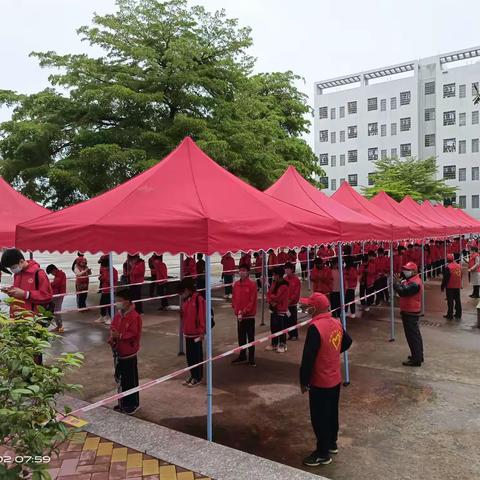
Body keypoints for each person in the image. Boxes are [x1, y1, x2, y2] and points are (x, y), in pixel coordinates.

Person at [299, 293, 352, 467]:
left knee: (319, 417)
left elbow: (308, 358)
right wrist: (333, 351)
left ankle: (322, 453)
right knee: (331, 412)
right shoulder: (336, 322)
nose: (306, 309)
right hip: (334, 378)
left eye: (308, 306)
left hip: (320, 380)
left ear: (315, 308)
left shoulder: (316, 328)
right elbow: (347, 341)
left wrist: (304, 381)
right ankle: (332, 443)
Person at [1, 249, 53, 365]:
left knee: (34, 352)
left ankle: (37, 376)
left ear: (21, 261)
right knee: (22, 352)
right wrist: (11, 291)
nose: (12, 270)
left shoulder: (38, 273)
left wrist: (26, 294)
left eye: (13, 267)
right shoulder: (17, 274)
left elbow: (47, 295)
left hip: (33, 320)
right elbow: (19, 292)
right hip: (18, 320)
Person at [107, 289, 142, 415]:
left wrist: (120, 336)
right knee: (121, 379)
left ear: (127, 301)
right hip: (119, 352)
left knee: (130, 380)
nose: (117, 303)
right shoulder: (118, 315)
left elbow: (134, 334)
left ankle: (133, 403)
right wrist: (112, 337)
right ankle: (123, 402)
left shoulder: (134, 316)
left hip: (129, 353)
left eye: (120, 300)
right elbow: (113, 327)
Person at [393, 262, 424, 367]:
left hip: (411, 312)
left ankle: (416, 359)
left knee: (412, 336)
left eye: (408, 269)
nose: (405, 271)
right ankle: (417, 355)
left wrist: (396, 283)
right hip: (409, 310)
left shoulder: (415, 283)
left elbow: (402, 292)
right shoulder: (410, 281)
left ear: (414, 271)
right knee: (414, 336)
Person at [178, 277, 206, 387]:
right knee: (190, 356)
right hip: (188, 332)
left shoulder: (198, 299)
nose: (181, 294)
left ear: (188, 289)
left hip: (196, 333)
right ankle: (192, 374)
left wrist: (201, 331)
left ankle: (198, 377)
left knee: (196, 356)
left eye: (182, 292)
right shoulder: (186, 300)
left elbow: (201, 316)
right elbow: (186, 315)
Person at [231, 263, 257, 366]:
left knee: (250, 337)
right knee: (241, 337)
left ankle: (251, 358)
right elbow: (234, 298)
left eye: (244, 270)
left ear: (248, 272)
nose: (242, 272)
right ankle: (242, 355)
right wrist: (236, 309)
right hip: (239, 316)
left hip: (248, 316)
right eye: (240, 270)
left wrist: (244, 311)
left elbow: (252, 301)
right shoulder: (236, 284)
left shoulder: (252, 285)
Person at [266, 266, 289, 353]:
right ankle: (274, 343)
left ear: (278, 275)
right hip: (273, 308)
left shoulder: (284, 285)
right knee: (273, 327)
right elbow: (269, 293)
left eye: (274, 275)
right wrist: (270, 300)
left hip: (281, 309)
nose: (273, 276)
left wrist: (271, 298)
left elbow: (278, 297)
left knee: (281, 327)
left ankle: (283, 344)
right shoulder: (274, 283)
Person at [98, 255, 119, 324]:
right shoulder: (104, 269)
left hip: (110, 290)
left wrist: (104, 278)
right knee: (102, 303)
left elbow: (112, 280)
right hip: (104, 289)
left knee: (110, 304)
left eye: (102, 263)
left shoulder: (113, 271)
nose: (101, 265)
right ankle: (103, 316)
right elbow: (101, 278)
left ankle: (111, 317)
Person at [46, 264, 67, 333]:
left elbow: (56, 283)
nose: (52, 274)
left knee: (57, 311)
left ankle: (60, 326)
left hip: (59, 295)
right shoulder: (58, 275)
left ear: (54, 270)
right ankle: (58, 326)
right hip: (56, 295)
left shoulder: (60, 274)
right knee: (55, 311)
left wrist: (47, 284)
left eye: (51, 273)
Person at [441, 254, 462, 320]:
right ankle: (458, 314)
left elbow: (445, 278)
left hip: (450, 286)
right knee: (458, 300)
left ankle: (450, 314)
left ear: (447, 259)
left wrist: (442, 286)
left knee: (450, 301)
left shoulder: (448, 267)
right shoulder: (459, 266)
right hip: (457, 285)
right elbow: (461, 275)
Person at [285, 261, 300, 340]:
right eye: (286, 268)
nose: (286, 270)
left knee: (293, 320)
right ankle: (290, 334)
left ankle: (294, 334)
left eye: (288, 269)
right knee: (287, 320)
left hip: (292, 304)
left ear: (292, 269)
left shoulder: (296, 280)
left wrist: (290, 301)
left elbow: (296, 293)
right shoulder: (285, 279)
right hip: (286, 304)